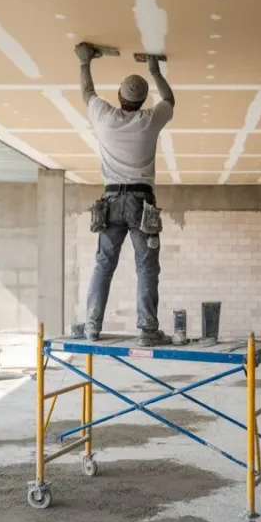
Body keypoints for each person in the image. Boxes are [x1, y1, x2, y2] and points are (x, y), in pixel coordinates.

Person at [75, 42, 175, 347]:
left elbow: (88, 93)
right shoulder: (150, 121)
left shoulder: (105, 116)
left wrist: (84, 62)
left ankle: (92, 326)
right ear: (144, 100)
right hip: (141, 204)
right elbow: (169, 99)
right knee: (146, 266)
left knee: (104, 264)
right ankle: (147, 331)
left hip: (110, 203)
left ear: (119, 97)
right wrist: (155, 70)